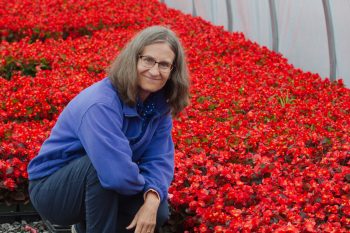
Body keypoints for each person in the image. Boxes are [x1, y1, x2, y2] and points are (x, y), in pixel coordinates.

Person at [27, 25, 190, 233]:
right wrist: (142, 188)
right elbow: (115, 175)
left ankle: (85, 226)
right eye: (148, 60)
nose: (155, 71)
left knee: (157, 212)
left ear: (173, 71)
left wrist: (152, 197)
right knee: (102, 169)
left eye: (165, 64)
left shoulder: (159, 106)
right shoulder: (101, 104)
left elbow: (159, 158)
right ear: (134, 59)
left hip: (108, 181)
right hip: (53, 191)